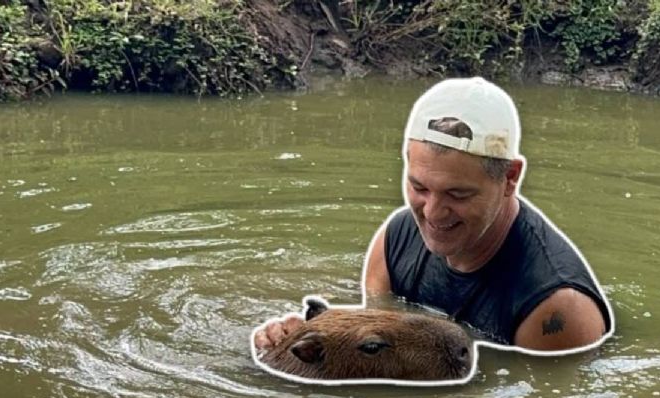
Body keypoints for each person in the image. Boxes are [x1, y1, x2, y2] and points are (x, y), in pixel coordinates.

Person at [255, 77, 613, 354]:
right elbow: (381, 345)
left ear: (509, 179)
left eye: (458, 194)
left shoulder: (556, 309)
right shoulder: (394, 242)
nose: (433, 213)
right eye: (419, 187)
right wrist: (304, 341)